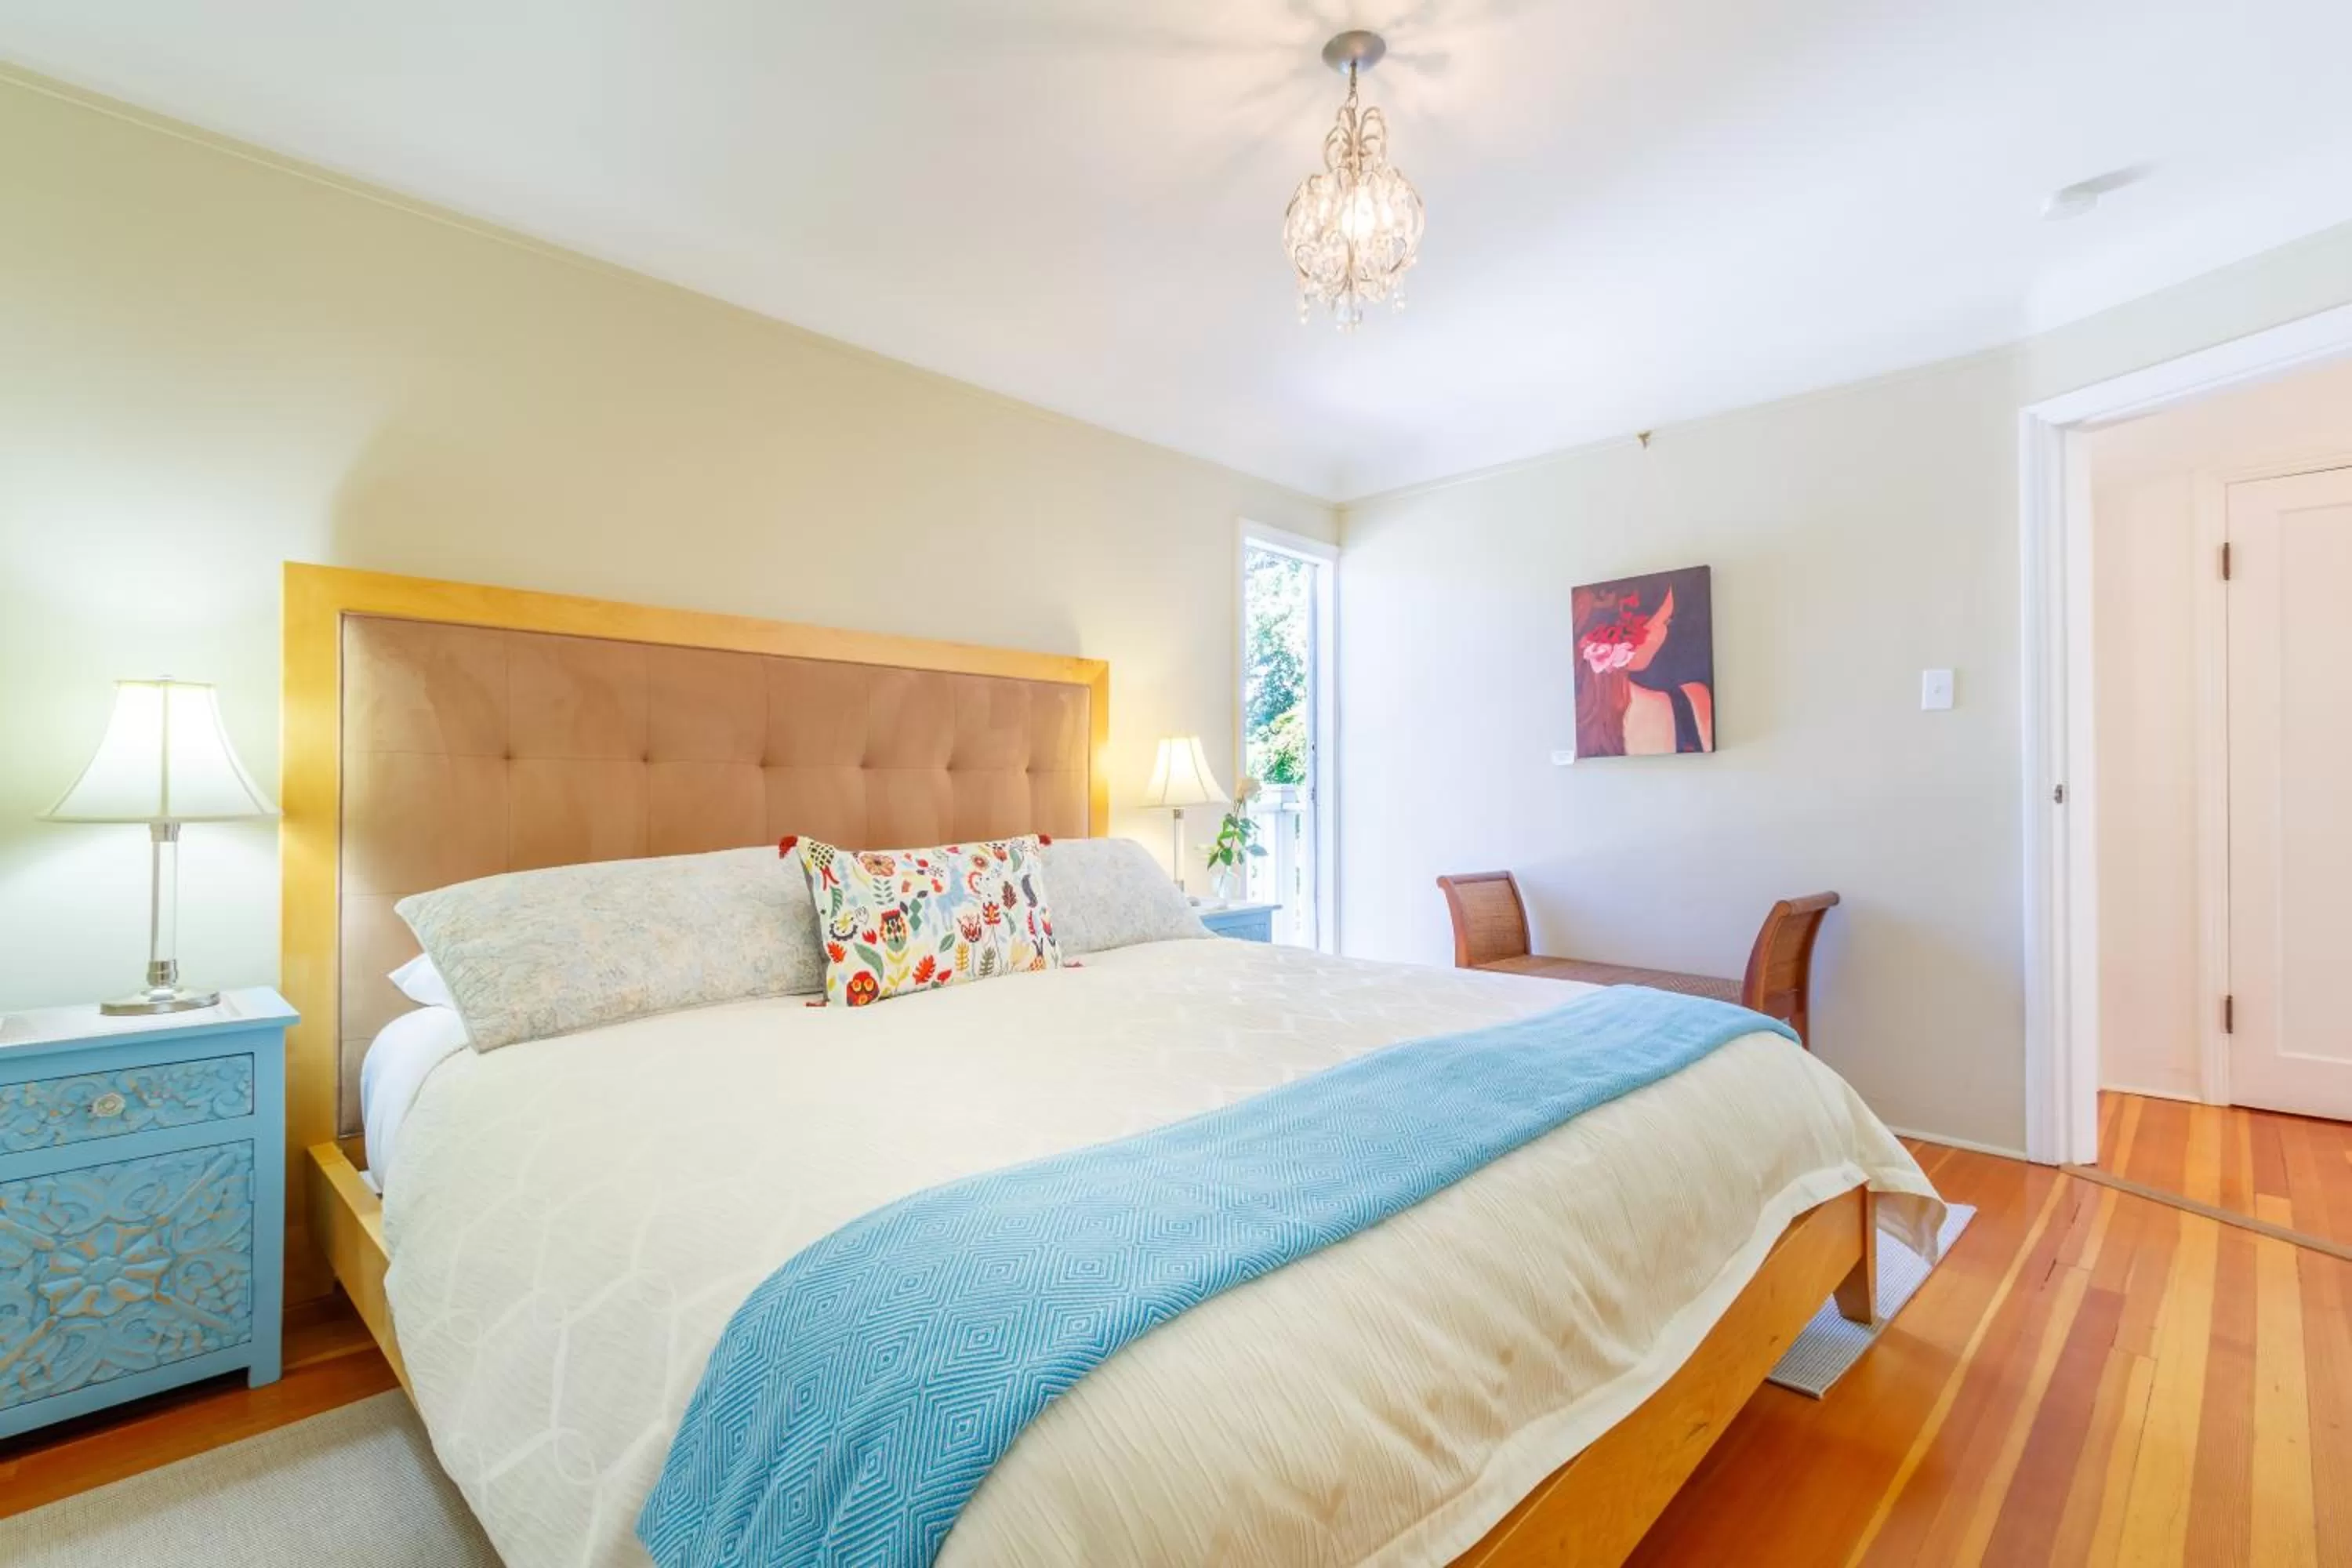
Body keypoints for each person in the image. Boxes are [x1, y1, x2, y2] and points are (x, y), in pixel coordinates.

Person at [1574, 581, 1714, 756]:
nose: (1665, 631)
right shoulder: (1693, 705)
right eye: (1666, 621)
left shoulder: (1571, 717)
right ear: (1631, 634)